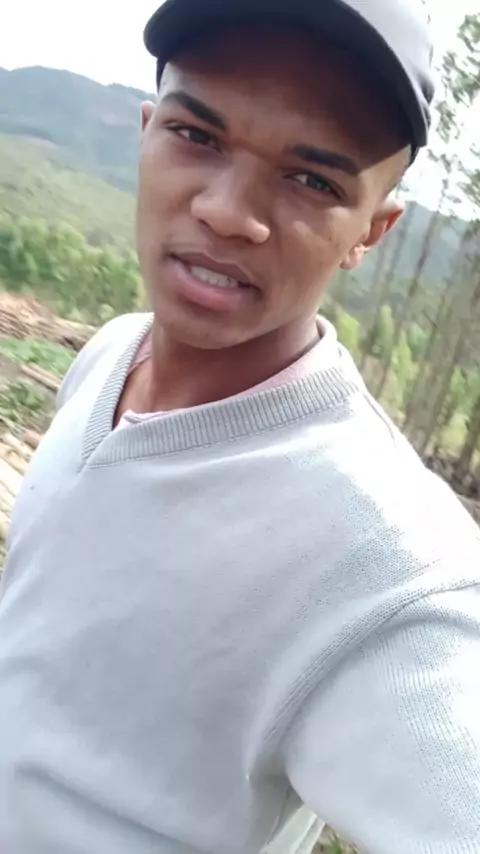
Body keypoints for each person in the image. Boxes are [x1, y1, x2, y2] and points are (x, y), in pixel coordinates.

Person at [0, 0, 479, 852]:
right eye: (196, 135)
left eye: (313, 180)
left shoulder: (392, 568)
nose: (228, 211)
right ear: (146, 134)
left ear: (370, 232)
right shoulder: (110, 355)